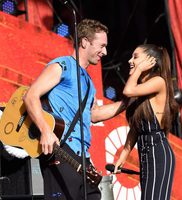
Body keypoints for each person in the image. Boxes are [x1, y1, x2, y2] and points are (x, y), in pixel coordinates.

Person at [23, 19, 124, 200]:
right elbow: (30, 96)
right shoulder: (62, 65)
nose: (105, 52)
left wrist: (128, 103)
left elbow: (93, 116)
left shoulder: (89, 82)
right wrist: (46, 131)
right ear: (85, 41)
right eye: (102, 45)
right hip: (62, 149)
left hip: (82, 156)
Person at [114, 44, 178, 200]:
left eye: (135, 57)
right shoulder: (143, 89)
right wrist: (123, 156)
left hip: (158, 151)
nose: (130, 60)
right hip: (146, 153)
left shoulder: (158, 81)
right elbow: (136, 129)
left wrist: (137, 70)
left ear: (151, 61)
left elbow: (128, 91)